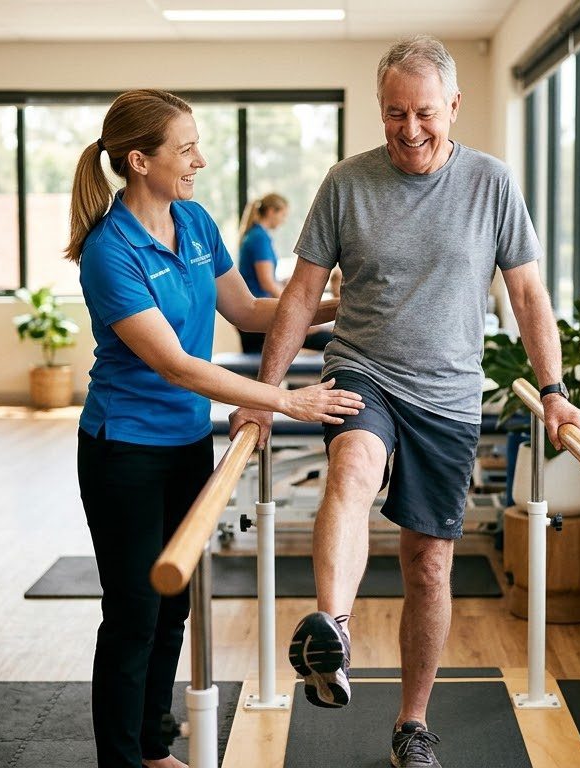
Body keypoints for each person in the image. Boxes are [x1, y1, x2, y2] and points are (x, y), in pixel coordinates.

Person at [229, 36, 580, 768]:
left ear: (454, 105)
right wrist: (265, 397)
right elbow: (300, 296)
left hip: (449, 395)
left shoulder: (492, 183)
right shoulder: (346, 184)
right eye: (395, 114)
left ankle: (412, 723)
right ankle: (331, 631)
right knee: (352, 470)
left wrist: (554, 392)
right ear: (380, 109)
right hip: (363, 369)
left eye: (425, 113)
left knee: (429, 564)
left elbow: (527, 293)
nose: (411, 129)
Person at [65, 88, 364, 768]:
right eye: (186, 147)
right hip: (123, 452)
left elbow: (252, 310)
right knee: (135, 612)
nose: (200, 158)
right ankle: (121, 758)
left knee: (173, 610)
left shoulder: (194, 223)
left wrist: (344, 304)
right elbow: (176, 365)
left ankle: (152, 745)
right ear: (139, 160)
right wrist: (285, 400)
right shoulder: (109, 252)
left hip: (184, 446)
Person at [236, 194, 334, 354]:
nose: (284, 220)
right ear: (270, 212)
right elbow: (266, 282)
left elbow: (262, 279)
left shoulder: (255, 235)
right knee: (327, 339)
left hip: (255, 318)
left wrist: (282, 283)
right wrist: (293, 306)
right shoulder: (259, 238)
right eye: (283, 214)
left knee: (320, 333)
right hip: (258, 320)